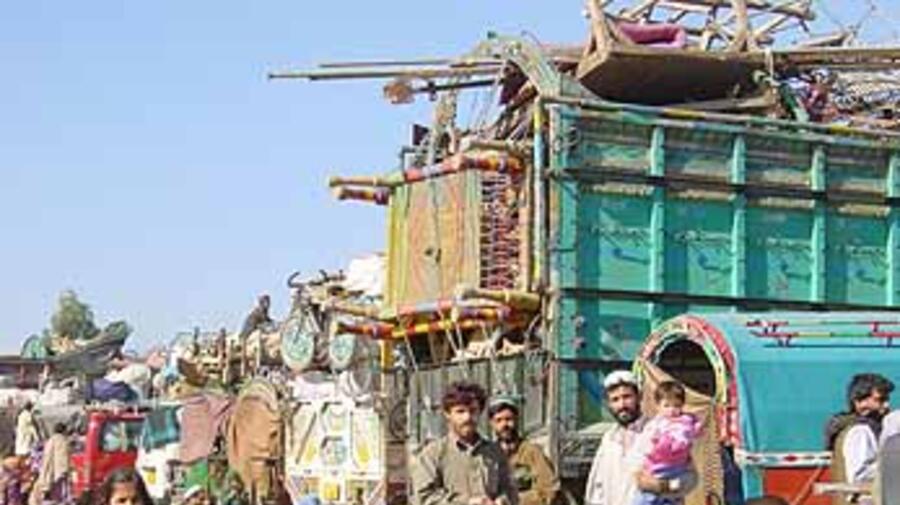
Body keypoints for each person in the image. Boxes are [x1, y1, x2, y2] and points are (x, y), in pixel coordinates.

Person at [585, 371, 696, 505]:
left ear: (639, 397)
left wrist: (662, 486)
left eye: (627, 397)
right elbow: (597, 489)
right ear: (609, 404)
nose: (622, 405)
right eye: (615, 400)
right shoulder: (609, 439)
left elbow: (690, 479)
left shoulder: (661, 432)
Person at [410, 381, 518, 505]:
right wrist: (466, 502)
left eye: (473, 411)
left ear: (480, 412)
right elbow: (423, 498)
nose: (467, 417)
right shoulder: (432, 455)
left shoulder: (495, 452)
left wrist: (502, 500)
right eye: (460, 411)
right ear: (447, 414)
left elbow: (510, 490)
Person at [629, 381, 702, 505]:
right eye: (667, 406)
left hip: (674, 469)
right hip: (655, 468)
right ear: (658, 406)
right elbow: (643, 450)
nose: (672, 410)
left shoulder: (684, 423)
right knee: (645, 498)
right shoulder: (654, 425)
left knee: (669, 497)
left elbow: (690, 476)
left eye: (676, 406)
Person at [825, 374, 894, 494]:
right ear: (859, 402)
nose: (886, 405)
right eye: (880, 400)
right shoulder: (860, 431)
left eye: (887, 400)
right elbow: (860, 476)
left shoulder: (861, 428)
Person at [488, 397, 559, 505]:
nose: (504, 425)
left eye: (508, 419)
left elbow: (549, 490)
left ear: (517, 420)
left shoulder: (532, 452)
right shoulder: (487, 455)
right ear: (492, 424)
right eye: (499, 420)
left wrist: (511, 500)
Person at [31, 423, 70, 505]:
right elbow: (63, 458)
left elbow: (46, 457)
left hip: (49, 471)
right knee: (60, 495)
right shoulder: (62, 441)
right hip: (59, 473)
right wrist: (65, 471)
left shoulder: (50, 441)